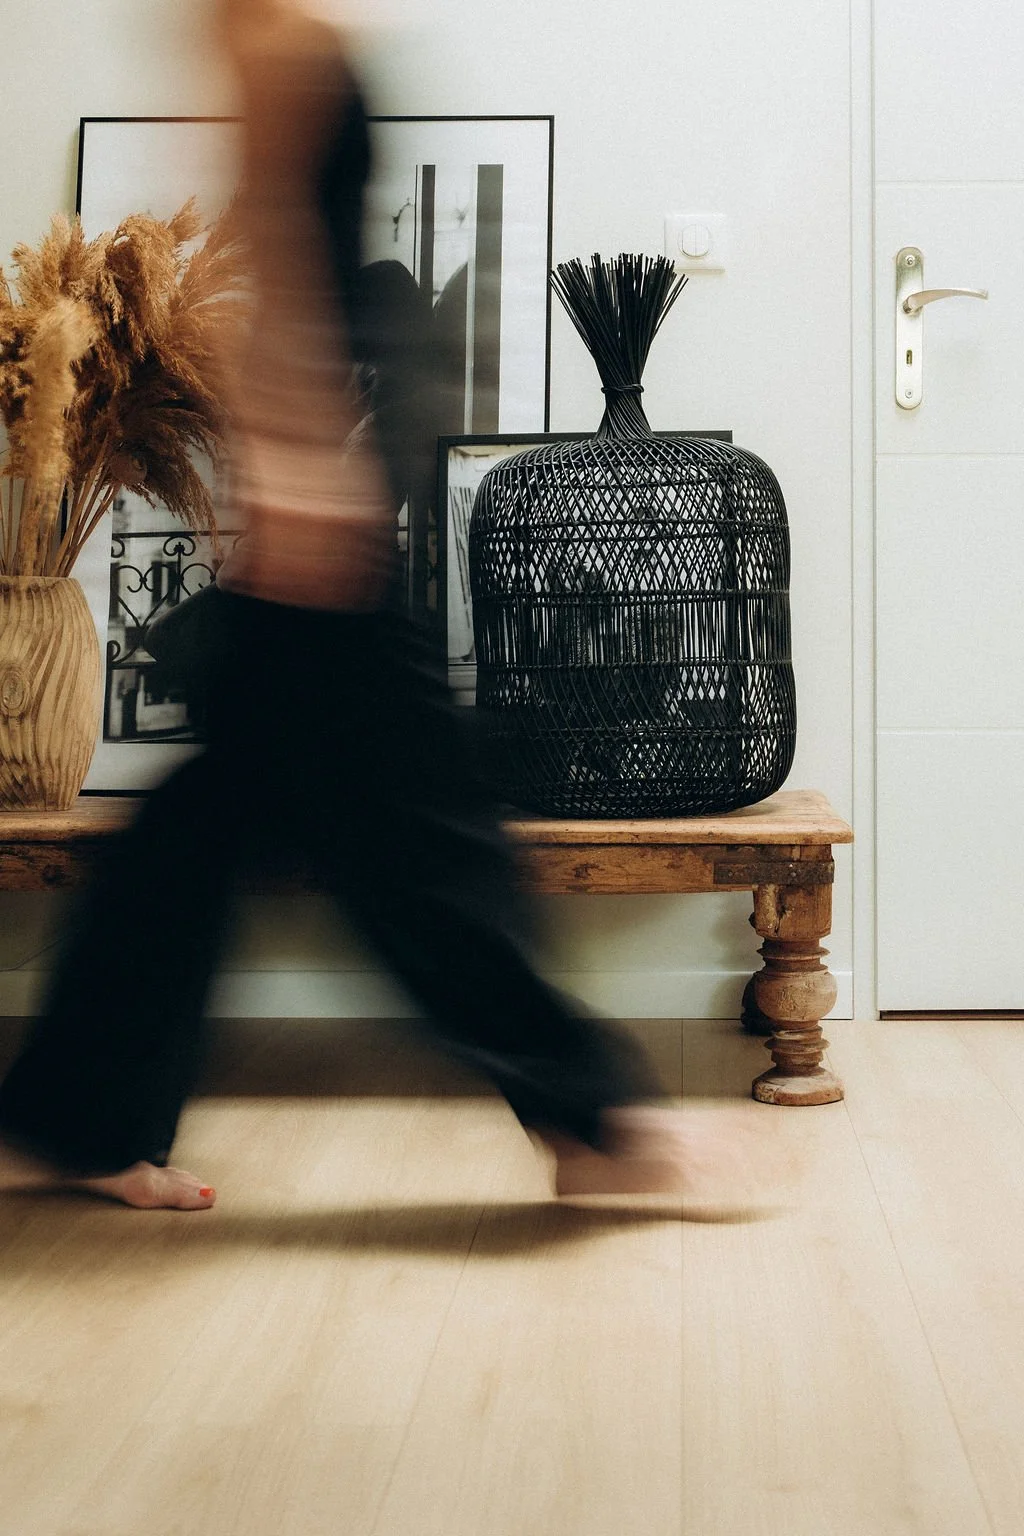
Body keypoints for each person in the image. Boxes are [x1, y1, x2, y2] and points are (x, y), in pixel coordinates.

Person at [0, 0, 698, 1212]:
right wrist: (300, 484)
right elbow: (285, 268)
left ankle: (76, 1121)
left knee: (207, 833)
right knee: (415, 828)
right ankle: (592, 1117)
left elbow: (286, 266)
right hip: (316, 510)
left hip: (311, 499)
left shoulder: (279, 44)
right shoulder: (279, 50)